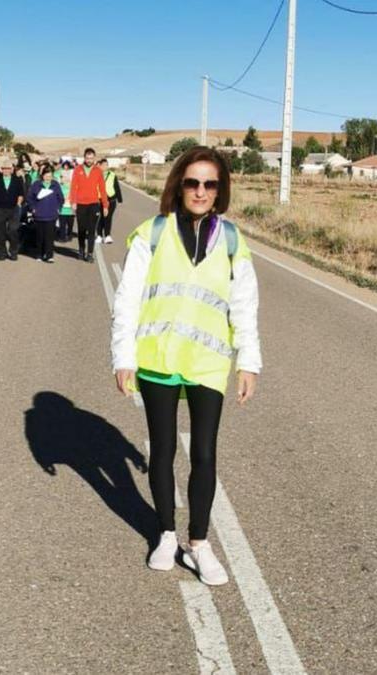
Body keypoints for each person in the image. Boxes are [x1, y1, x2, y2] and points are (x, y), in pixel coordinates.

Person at [110, 146, 261, 586]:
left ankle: (198, 544)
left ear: (220, 191)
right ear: (179, 184)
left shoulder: (232, 241)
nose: (200, 191)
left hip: (208, 363)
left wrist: (248, 362)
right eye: (192, 182)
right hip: (157, 359)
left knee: (205, 453)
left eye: (209, 184)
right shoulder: (152, 233)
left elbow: (245, 307)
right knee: (162, 450)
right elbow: (128, 299)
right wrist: (123, 356)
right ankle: (165, 534)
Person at [69, 148, 109, 262]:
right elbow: (73, 187)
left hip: (94, 204)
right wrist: (73, 202)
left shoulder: (98, 171)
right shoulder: (78, 169)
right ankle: (81, 250)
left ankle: (90, 253)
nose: (89, 160)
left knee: (91, 230)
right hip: (81, 204)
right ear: (84, 158)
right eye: (87, 158)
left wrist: (105, 205)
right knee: (81, 229)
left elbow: (102, 189)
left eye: (91, 158)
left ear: (94, 158)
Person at [0, 159, 25, 261]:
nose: (6, 170)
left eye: (8, 168)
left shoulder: (17, 179)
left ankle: (13, 252)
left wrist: (18, 203)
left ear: (12, 169)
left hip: (13, 209)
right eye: (4, 168)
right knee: (0, 232)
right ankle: (2, 252)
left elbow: (21, 194)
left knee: (13, 230)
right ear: (2, 169)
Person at [25, 166, 65, 263]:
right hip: (39, 215)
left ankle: (49, 255)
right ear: (42, 175)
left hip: (51, 215)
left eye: (50, 176)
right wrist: (33, 209)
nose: (48, 177)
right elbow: (29, 198)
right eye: (46, 175)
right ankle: (39, 254)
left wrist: (58, 208)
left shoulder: (55, 185)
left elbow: (61, 198)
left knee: (50, 236)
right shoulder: (36, 185)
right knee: (40, 236)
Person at [98, 158, 124, 244]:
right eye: (103, 165)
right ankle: (99, 235)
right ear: (100, 165)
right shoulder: (96, 175)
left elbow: (116, 187)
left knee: (108, 217)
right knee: (101, 217)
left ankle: (107, 235)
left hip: (111, 199)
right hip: (100, 199)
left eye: (106, 165)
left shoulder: (112, 175)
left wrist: (119, 198)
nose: (105, 167)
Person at [55, 160, 75, 242]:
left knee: (70, 224)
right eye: (62, 177)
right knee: (62, 223)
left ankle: (69, 235)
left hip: (70, 208)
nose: (63, 179)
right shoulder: (59, 187)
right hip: (62, 208)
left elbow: (75, 195)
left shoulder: (73, 186)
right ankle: (62, 237)